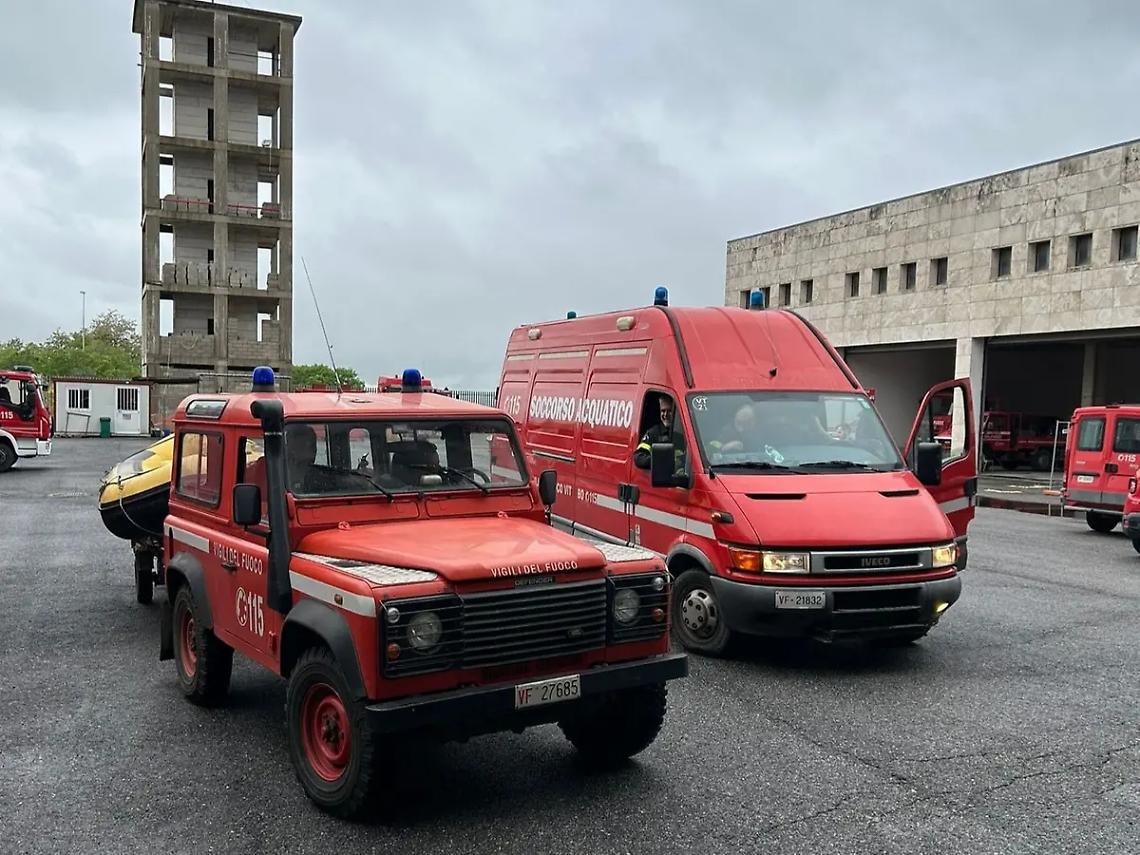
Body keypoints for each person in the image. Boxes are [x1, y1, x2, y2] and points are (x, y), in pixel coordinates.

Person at [634, 395, 684, 470]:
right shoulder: (653, 433)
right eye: (663, 411)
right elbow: (639, 457)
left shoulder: (683, 433)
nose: (666, 414)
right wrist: (660, 461)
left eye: (669, 411)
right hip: (660, 477)